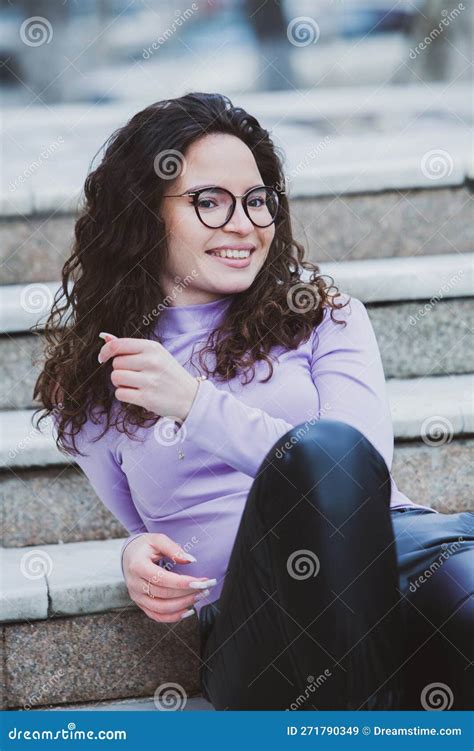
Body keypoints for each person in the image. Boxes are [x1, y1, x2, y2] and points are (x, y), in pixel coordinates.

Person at [34, 92, 473, 711]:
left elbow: (355, 471)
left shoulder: (324, 320)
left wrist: (195, 404)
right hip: (260, 619)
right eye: (209, 202)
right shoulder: (100, 377)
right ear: (143, 214)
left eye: (257, 199)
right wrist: (132, 552)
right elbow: (148, 527)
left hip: (407, 552)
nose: (243, 223)